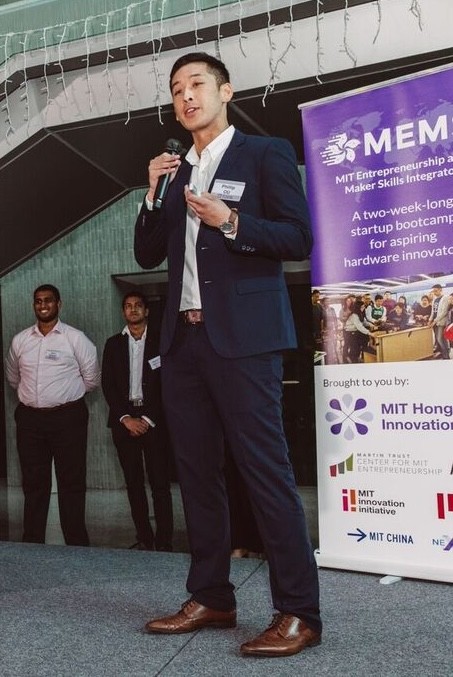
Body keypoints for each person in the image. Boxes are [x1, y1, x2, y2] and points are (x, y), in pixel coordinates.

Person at [134, 51, 321, 657]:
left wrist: (231, 220)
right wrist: (151, 192)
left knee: (265, 473)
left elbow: (297, 238)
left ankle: (299, 612)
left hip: (244, 342)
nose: (186, 97)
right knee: (195, 474)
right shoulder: (177, 171)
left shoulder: (263, 154)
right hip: (183, 344)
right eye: (176, 89)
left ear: (225, 91)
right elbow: (144, 254)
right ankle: (212, 595)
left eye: (196, 85)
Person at [5, 284, 100, 545]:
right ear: (34, 305)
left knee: (71, 483)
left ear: (59, 303)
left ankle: (76, 544)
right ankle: (32, 543)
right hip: (30, 421)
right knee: (34, 484)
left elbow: (91, 379)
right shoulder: (20, 341)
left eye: (48, 300)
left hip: (68, 418)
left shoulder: (75, 338)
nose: (43, 305)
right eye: (38, 301)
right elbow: (13, 378)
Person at [101, 291, 173, 552]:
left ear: (147, 311)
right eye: (128, 306)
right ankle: (145, 538)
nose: (133, 310)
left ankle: (165, 541)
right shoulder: (113, 344)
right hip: (124, 423)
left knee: (160, 485)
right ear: (123, 312)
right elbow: (107, 385)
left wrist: (146, 418)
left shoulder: (161, 342)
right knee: (133, 484)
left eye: (138, 306)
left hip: (154, 422)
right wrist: (126, 418)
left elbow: (168, 383)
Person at [428, 283, 450, 359]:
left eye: (436, 291)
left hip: (441, 322)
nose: (434, 293)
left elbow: (444, 312)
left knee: (440, 339)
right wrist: (430, 320)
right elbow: (433, 311)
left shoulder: (445, 298)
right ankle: (443, 353)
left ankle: (446, 355)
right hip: (435, 322)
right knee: (440, 339)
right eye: (433, 291)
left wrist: (434, 321)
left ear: (441, 290)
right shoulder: (434, 299)